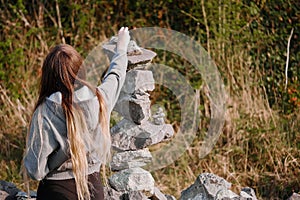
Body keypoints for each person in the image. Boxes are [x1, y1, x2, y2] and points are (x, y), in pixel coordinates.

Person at [24, 27, 130, 200]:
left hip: (56, 192)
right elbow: (116, 76)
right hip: (94, 189)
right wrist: (121, 48)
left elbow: (35, 170)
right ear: (80, 70)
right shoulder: (99, 99)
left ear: (48, 76)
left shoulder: (45, 111)